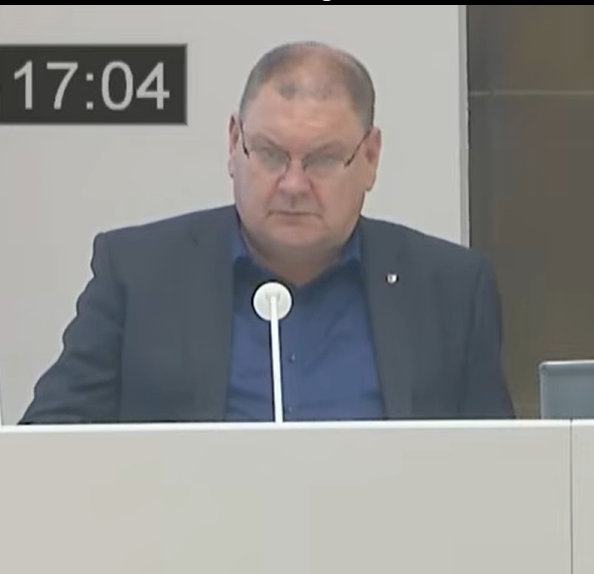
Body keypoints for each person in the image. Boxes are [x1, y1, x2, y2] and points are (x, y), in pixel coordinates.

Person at [22, 42, 512, 424]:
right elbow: (47, 448)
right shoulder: (138, 273)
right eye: (271, 155)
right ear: (234, 143)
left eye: (322, 159)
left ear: (369, 157)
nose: (293, 185)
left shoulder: (450, 289)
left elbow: (498, 472)